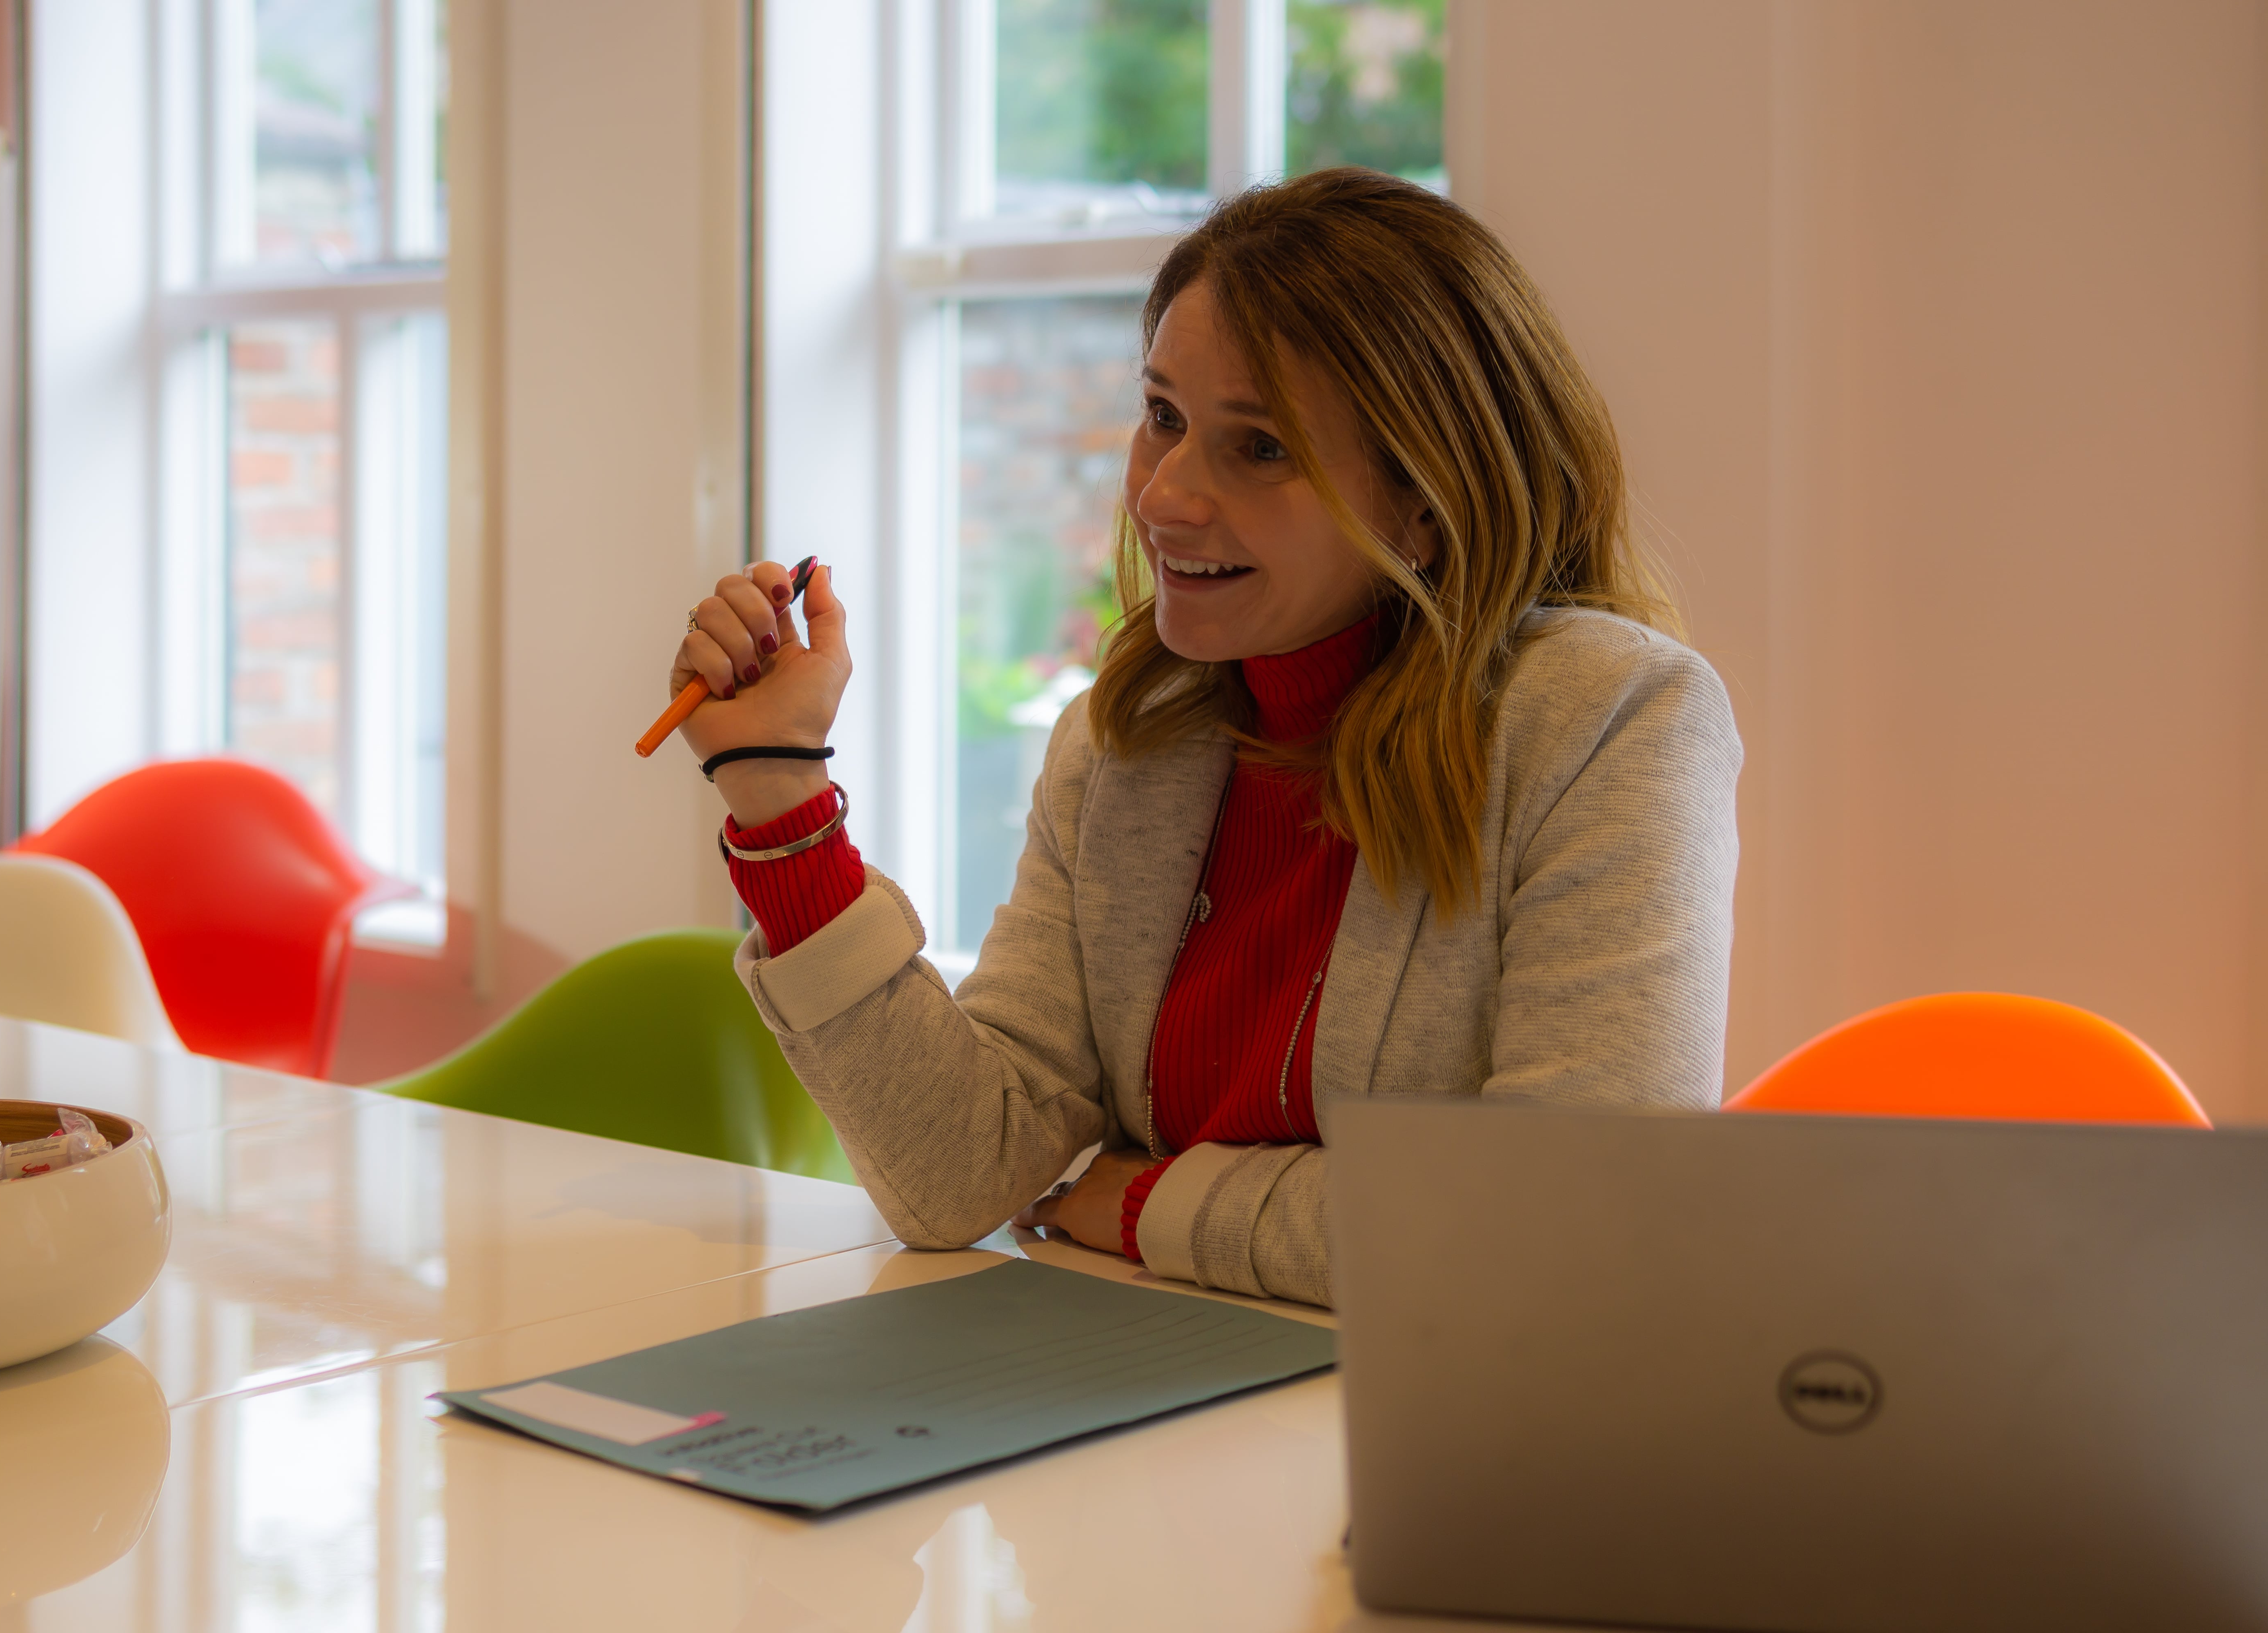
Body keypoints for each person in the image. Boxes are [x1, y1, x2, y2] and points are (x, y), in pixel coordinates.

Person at [666, 168, 1741, 1309]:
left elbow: (1573, 1219)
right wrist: (778, 794)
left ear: (1425, 502)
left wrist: (1149, 1202)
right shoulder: (1122, 744)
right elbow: (961, 1171)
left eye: (1261, 448)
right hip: (1148, 1375)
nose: (1163, 496)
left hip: (1443, 1401)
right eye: (1165, 418)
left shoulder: (1612, 720)